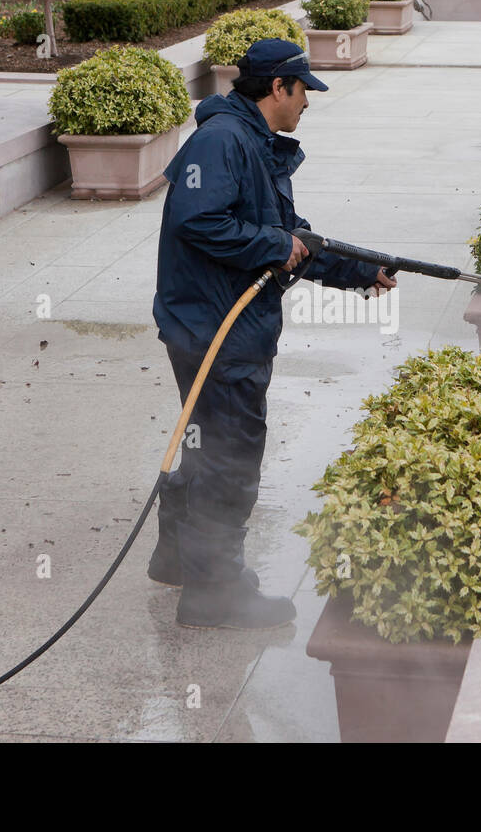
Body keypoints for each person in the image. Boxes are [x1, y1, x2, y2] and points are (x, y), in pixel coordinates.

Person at [150, 38, 398, 630]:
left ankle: (180, 560)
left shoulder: (250, 141)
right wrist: (276, 244)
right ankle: (214, 593)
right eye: (304, 89)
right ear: (277, 88)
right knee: (231, 454)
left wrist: (360, 271)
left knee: (205, 440)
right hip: (217, 328)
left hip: (214, 321)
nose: (308, 101)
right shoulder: (223, 141)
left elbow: (289, 240)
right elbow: (200, 220)